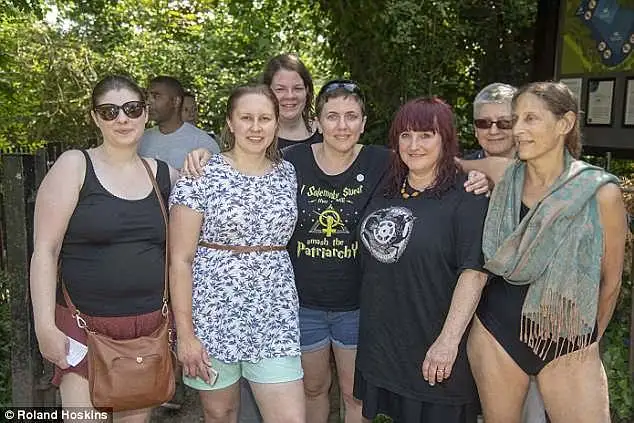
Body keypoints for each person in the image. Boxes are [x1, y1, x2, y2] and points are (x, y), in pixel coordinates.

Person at [461, 81, 626, 423]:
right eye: (516, 118)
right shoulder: (504, 175)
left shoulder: (599, 192)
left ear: (564, 124)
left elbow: (610, 283)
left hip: (568, 338)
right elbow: (446, 162)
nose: (518, 130)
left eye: (531, 119)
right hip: (495, 333)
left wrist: (584, 340)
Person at [30, 74, 178, 422]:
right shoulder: (74, 166)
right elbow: (45, 251)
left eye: (131, 109)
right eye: (109, 111)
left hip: (146, 332)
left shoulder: (167, 176)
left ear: (145, 114)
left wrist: (201, 157)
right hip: (83, 330)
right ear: (95, 118)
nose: (122, 119)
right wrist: (44, 326)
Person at [168, 84, 305, 423]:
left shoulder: (287, 173)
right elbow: (180, 260)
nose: (255, 127)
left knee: (289, 417)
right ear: (230, 122)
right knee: (220, 414)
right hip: (213, 313)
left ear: (276, 124)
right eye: (246, 118)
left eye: (264, 118)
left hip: (274, 313)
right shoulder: (200, 175)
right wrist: (185, 335)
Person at [354, 97, 489, 423]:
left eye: (426, 135)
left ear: (446, 139)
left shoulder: (466, 196)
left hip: (435, 346)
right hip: (384, 343)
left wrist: (447, 342)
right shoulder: (387, 186)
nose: (414, 145)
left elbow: (474, 272)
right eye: (405, 135)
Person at [468, 82, 548, 423]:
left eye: (504, 122)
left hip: (533, 319)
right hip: (477, 317)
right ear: (474, 129)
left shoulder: (547, 169)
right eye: (485, 123)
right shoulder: (461, 170)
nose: (495, 130)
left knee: (530, 412)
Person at [139, 75, 219, 169]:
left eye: (156, 96)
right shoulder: (141, 139)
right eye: (147, 96)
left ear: (176, 101)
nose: (148, 102)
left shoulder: (203, 143)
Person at [262, 53, 322, 150]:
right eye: (280, 89)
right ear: (267, 92)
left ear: (307, 91)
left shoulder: (326, 132)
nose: (290, 96)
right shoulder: (256, 138)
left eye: (297, 88)